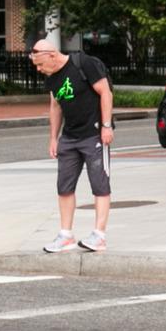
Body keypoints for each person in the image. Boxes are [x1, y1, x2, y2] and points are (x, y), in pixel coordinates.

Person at [31, 41, 115, 254]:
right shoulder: (52, 78)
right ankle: (66, 235)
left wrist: (106, 126)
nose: (39, 70)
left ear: (51, 55)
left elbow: (105, 92)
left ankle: (99, 235)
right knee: (64, 186)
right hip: (69, 137)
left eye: (40, 65)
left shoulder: (83, 63)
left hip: (94, 133)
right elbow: (55, 106)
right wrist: (53, 138)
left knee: (99, 183)